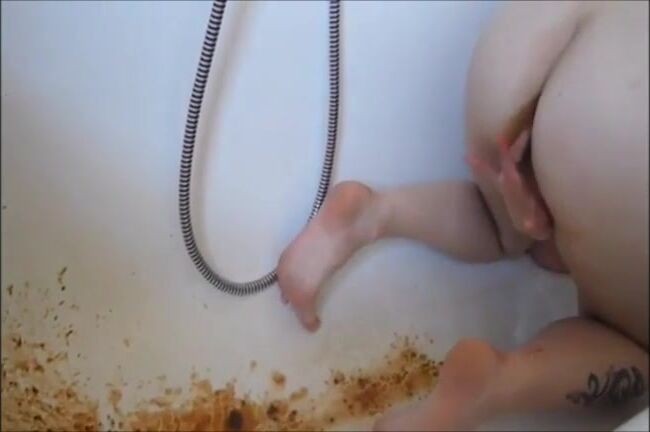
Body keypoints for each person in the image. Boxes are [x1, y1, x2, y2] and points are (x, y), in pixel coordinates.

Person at [276, 1, 649, 430]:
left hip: (530, 30)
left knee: (502, 228)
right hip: (624, 108)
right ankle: (500, 381)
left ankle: (375, 212)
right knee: (636, 349)